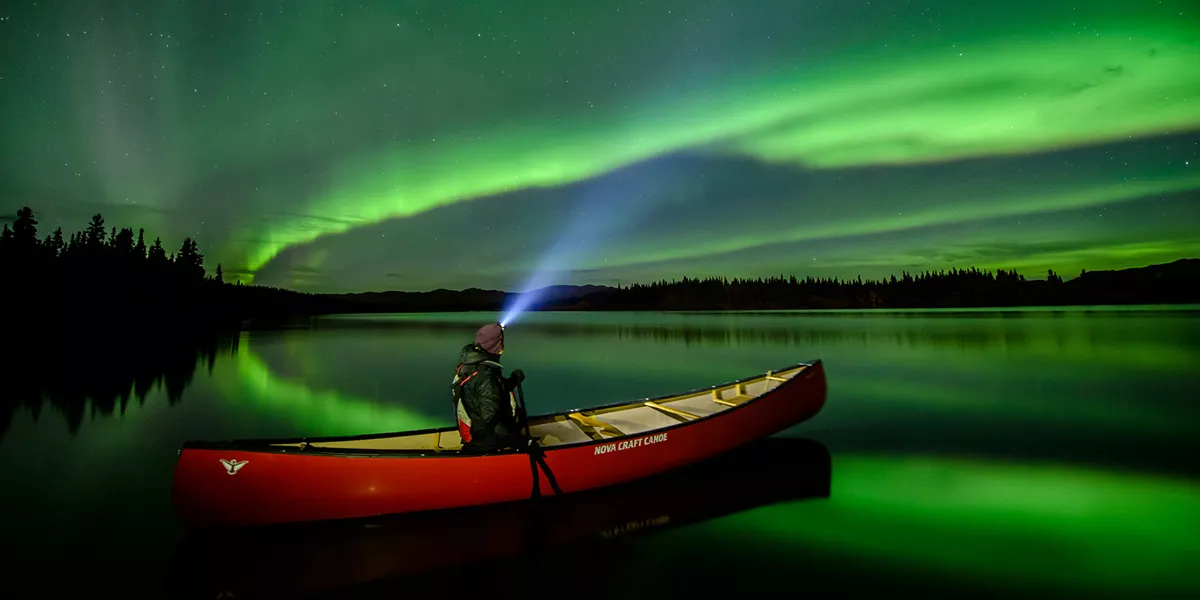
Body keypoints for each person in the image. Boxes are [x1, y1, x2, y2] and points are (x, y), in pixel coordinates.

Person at [452, 322, 527, 452]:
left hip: (477, 435)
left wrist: (513, 381)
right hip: (487, 443)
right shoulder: (486, 375)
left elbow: (489, 392)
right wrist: (519, 442)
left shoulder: (472, 366)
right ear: (496, 345)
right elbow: (489, 418)